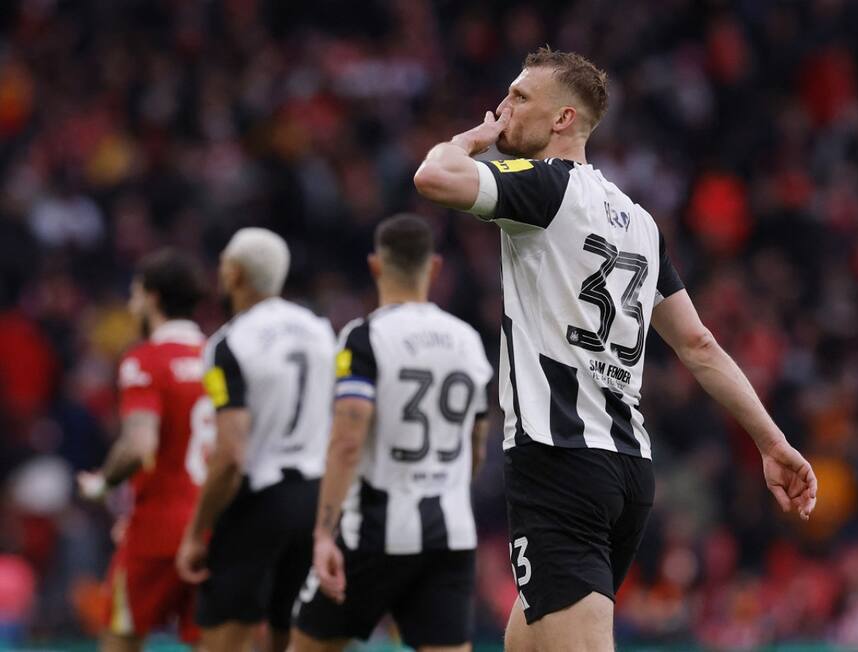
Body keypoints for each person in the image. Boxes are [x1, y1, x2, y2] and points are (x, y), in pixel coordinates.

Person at [413, 46, 819, 652]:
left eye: (520, 98)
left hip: (559, 458)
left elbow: (432, 177)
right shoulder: (639, 221)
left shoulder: (546, 186)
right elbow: (700, 344)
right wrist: (772, 441)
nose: (504, 109)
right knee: (526, 642)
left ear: (562, 120)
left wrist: (473, 138)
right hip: (628, 470)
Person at [291, 214, 493, 652]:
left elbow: (347, 441)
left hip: (375, 530)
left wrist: (324, 533)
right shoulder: (468, 341)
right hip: (451, 532)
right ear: (434, 268)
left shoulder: (364, 338)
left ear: (376, 266)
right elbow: (477, 442)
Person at [175, 228, 336, 652]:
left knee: (225, 633)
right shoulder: (321, 331)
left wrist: (196, 532)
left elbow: (230, 453)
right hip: (316, 498)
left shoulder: (228, 343)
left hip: (260, 499)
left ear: (234, 273)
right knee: (292, 631)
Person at [76, 249, 211, 652]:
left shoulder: (146, 360)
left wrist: (102, 485)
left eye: (134, 294)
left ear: (152, 298)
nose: (131, 304)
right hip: (211, 528)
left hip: (155, 529)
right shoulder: (220, 356)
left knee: (121, 640)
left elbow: (139, 445)